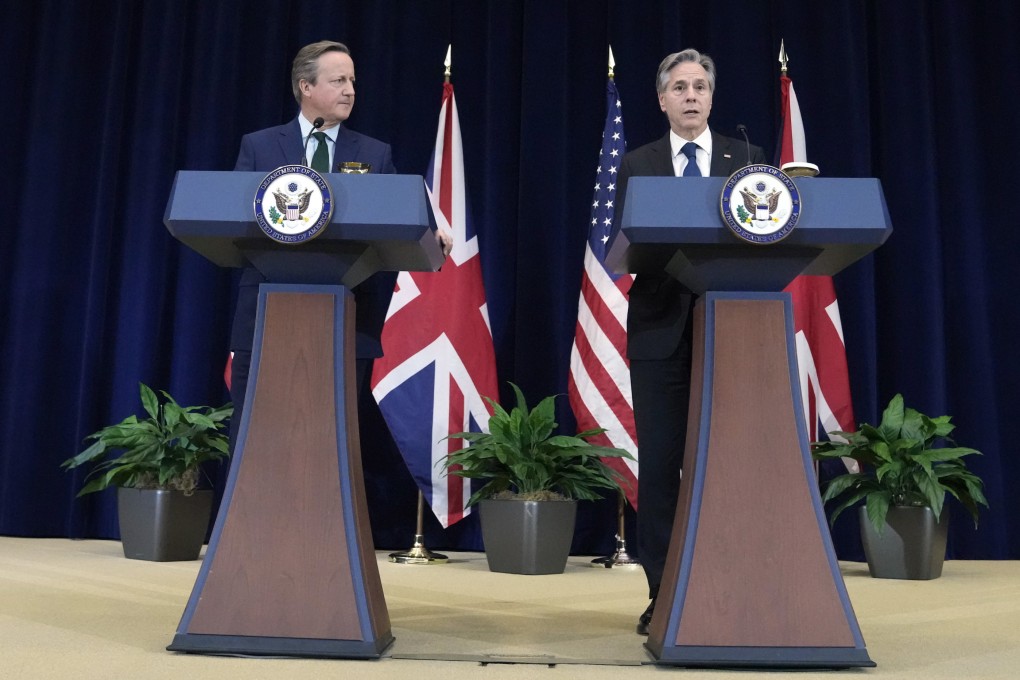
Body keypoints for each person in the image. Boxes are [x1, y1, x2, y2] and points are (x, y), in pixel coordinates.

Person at [229, 40, 451, 450]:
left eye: (352, 80)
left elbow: (402, 220)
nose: (351, 90)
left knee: (330, 443)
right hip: (265, 313)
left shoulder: (373, 153)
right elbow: (235, 222)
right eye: (338, 80)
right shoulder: (259, 146)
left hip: (348, 316)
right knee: (255, 439)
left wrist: (430, 234)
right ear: (306, 87)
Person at [613, 48, 767, 636]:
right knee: (661, 467)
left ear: (712, 94)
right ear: (662, 99)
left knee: (732, 462)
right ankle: (663, 592)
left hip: (732, 328)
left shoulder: (747, 158)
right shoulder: (638, 162)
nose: (691, 95)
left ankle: (733, 584)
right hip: (660, 329)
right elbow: (629, 245)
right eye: (679, 87)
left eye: (700, 85)